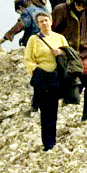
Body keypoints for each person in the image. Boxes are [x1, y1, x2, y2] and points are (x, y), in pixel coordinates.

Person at [23, 12, 68, 151]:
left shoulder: (60, 38)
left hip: (55, 77)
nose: (44, 23)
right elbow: (28, 59)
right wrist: (35, 71)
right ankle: (47, 143)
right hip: (42, 77)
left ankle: (52, 140)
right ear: (38, 25)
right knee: (45, 111)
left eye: (46, 20)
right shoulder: (33, 40)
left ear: (51, 22)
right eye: (41, 21)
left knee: (53, 109)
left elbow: (69, 54)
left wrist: (60, 53)